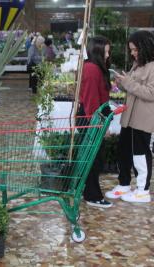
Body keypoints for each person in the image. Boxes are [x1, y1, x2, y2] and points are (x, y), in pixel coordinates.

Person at [105, 30, 154, 203]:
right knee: (124, 150)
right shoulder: (138, 64)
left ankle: (142, 190)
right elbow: (133, 88)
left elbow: (150, 93)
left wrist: (129, 83)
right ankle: (124, 184)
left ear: (144, 47)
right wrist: (123, 83)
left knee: (140, 153)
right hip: (129, 116)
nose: (132, 53)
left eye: (135, 49)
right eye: (131, 50)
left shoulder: (153, 66)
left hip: (143, 118)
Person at [78, 36, 113, 208]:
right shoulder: (92, 69)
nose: (108, 55)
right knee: (93, 159)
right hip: (91, 119)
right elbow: (91, 101)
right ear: (98, 51)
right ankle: (92, 195)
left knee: (92, 158)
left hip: (93, 117)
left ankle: (89, 191)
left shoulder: (94, 67)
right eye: (106, 51)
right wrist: (99, 125)